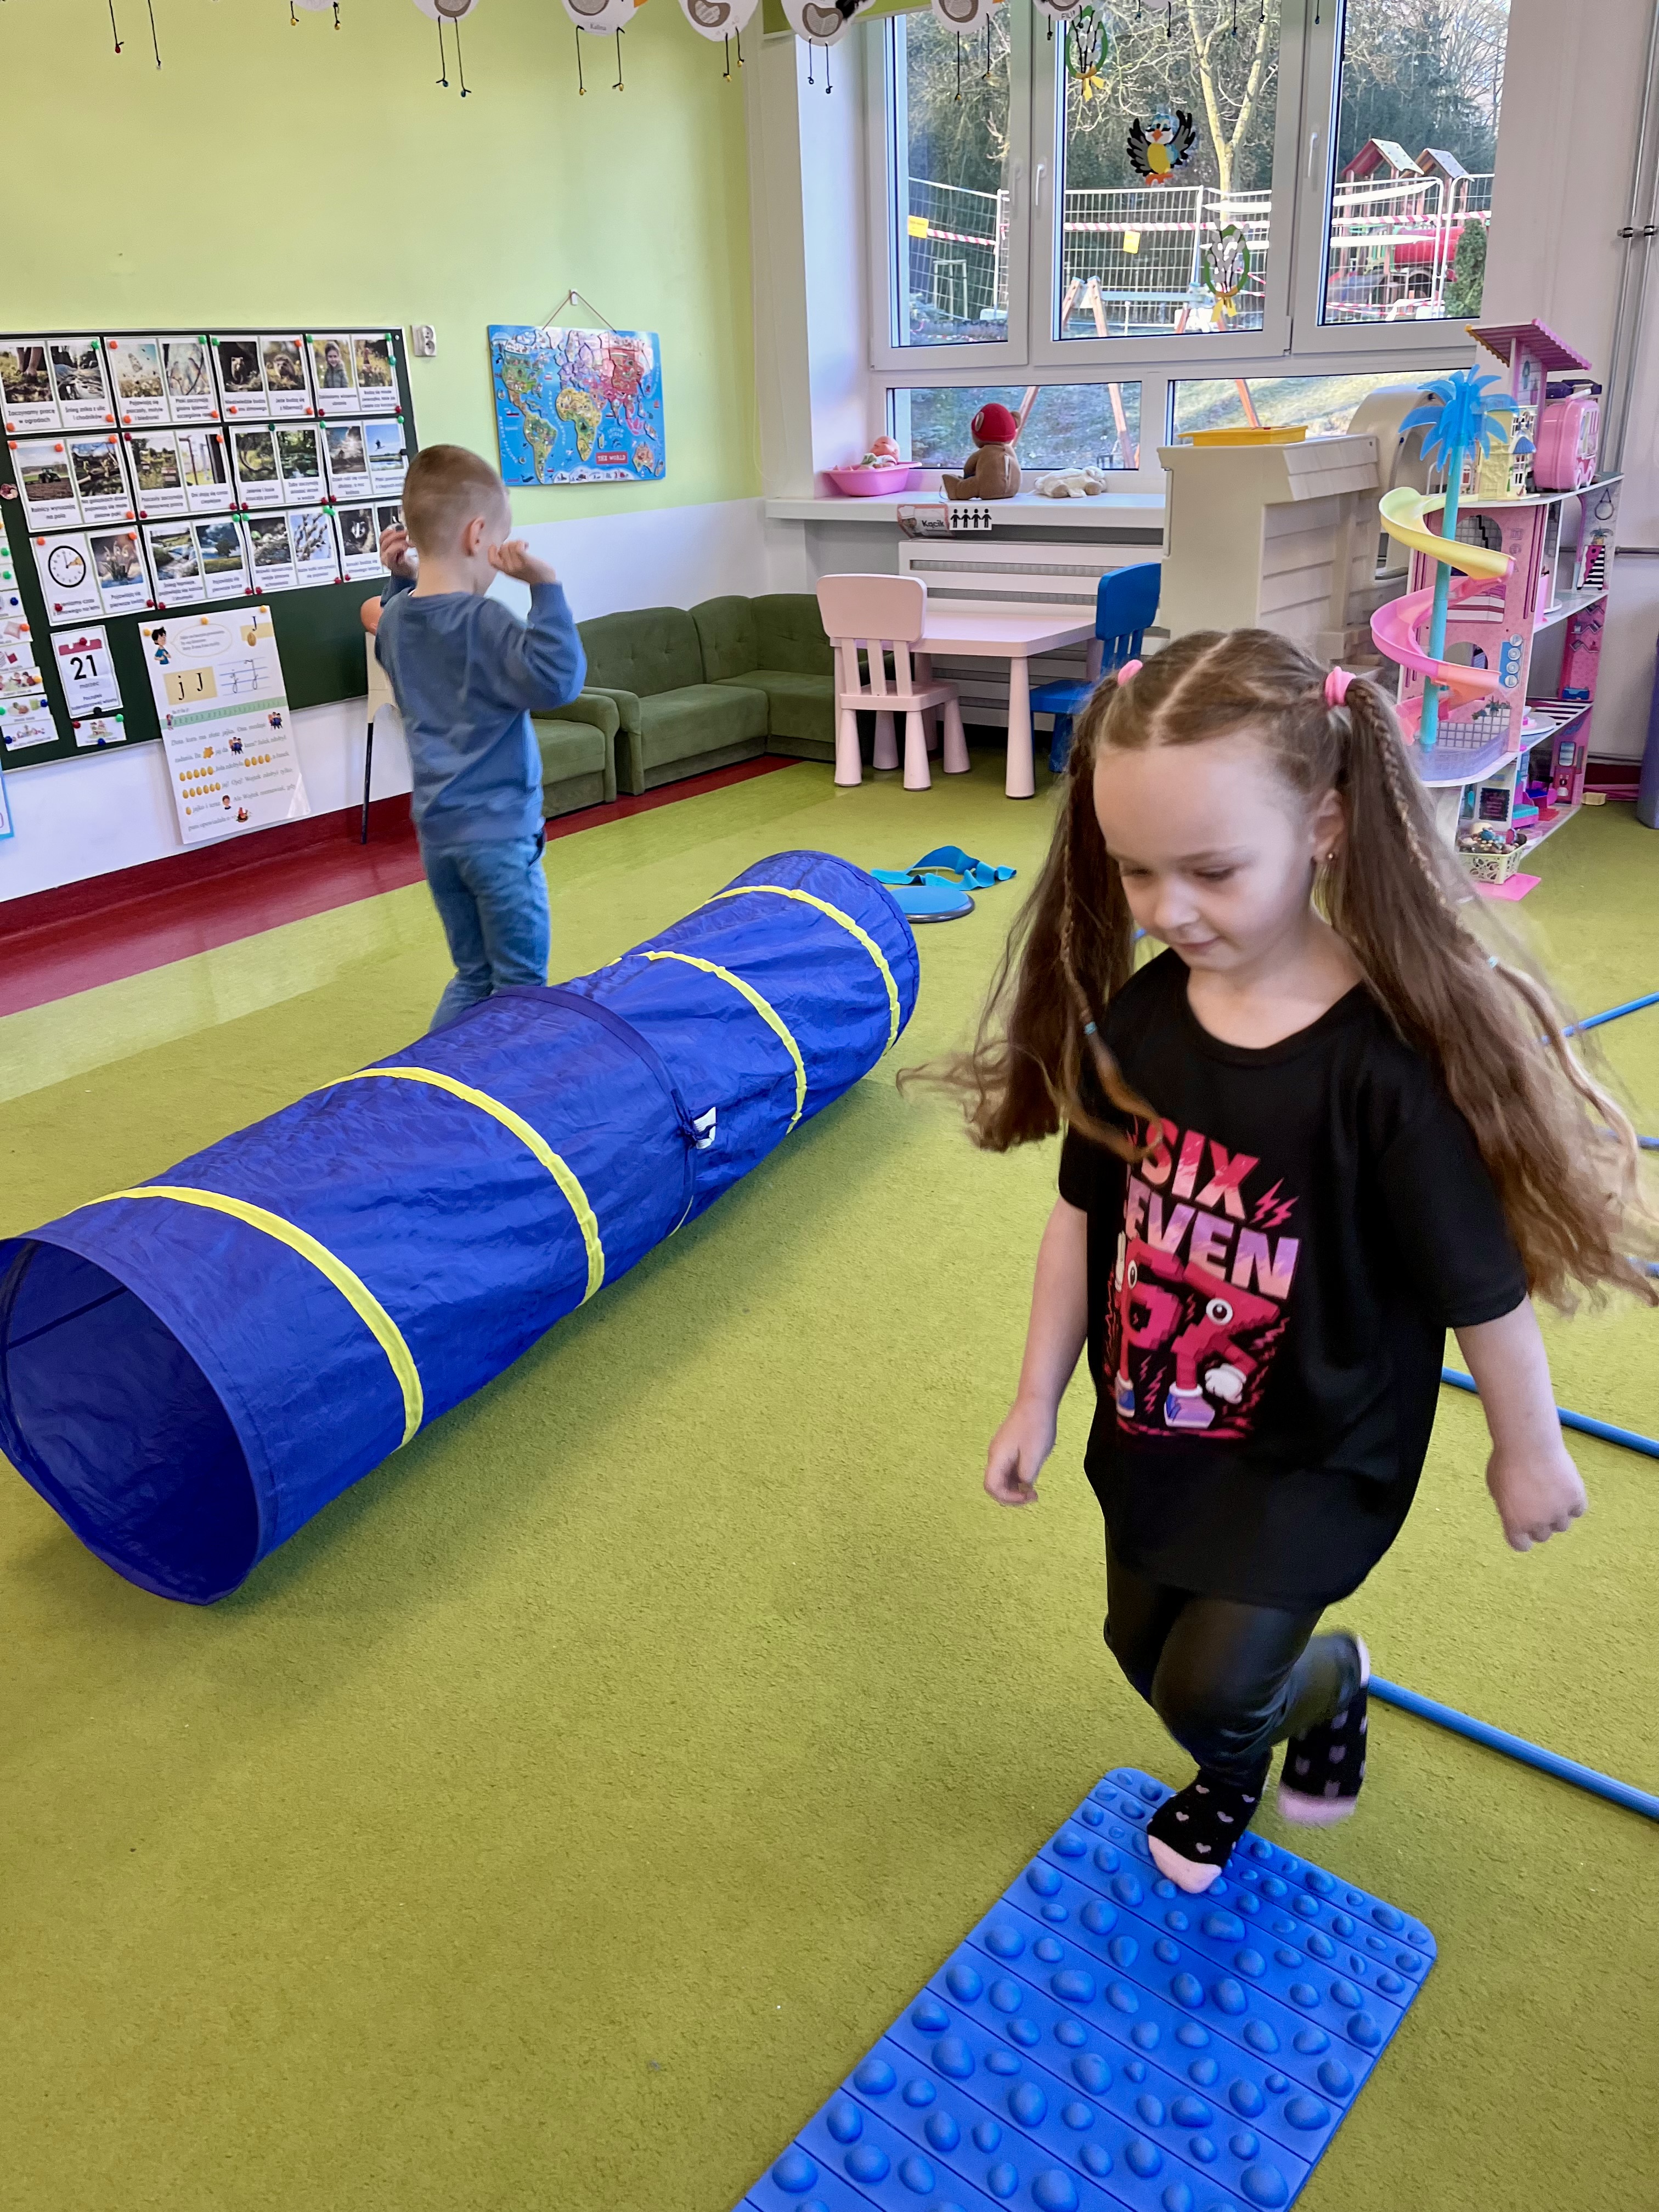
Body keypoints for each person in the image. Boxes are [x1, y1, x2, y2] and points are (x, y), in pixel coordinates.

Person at [921, 628, 1654, 1895]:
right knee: (1141, 1646)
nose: (1167, 910)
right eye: (1136, 870)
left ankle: (1253, 1753)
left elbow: (1479, 1285)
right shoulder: (1139, 1023)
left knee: (1212, 1691)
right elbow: (1081, 1218)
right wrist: (1036, 1395)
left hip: (1321, 1447)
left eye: (1211, 870)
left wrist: (1528, 1445)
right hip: (1158, 1422)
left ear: (1322, 827)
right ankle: (1307, 1693)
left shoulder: (1387, 1067)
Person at [374, 443, 585, 1031]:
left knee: (472, 976)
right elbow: (558, 682)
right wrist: (546, 587)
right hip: (498, 838)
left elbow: (405, 640)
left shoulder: (394, 617)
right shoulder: (485, 621)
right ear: (477, 536)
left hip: (438, 836)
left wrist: (401, 581)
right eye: (500, 542)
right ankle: (508, 1083)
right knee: (520, 985)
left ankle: (434, 1077)